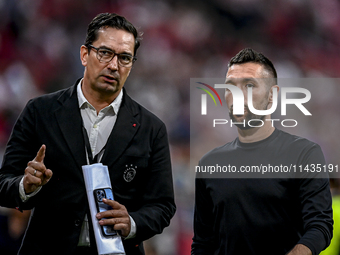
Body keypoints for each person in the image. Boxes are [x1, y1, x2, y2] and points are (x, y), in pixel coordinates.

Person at [0, 13, 176, 255]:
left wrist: (132, 222)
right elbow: (3, 183)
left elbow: (163, 206)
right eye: (105, 53)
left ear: (132, 64)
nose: (114, 65)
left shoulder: (151, 128)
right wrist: (25, 186)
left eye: (125, 58)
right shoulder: (40, 111)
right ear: (84, 54)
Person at [191, 48, 333, 255]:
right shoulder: (209, 164)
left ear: (272, 95)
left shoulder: (304, 154)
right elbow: (203, 243)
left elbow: (320, 225)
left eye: (249, 86)